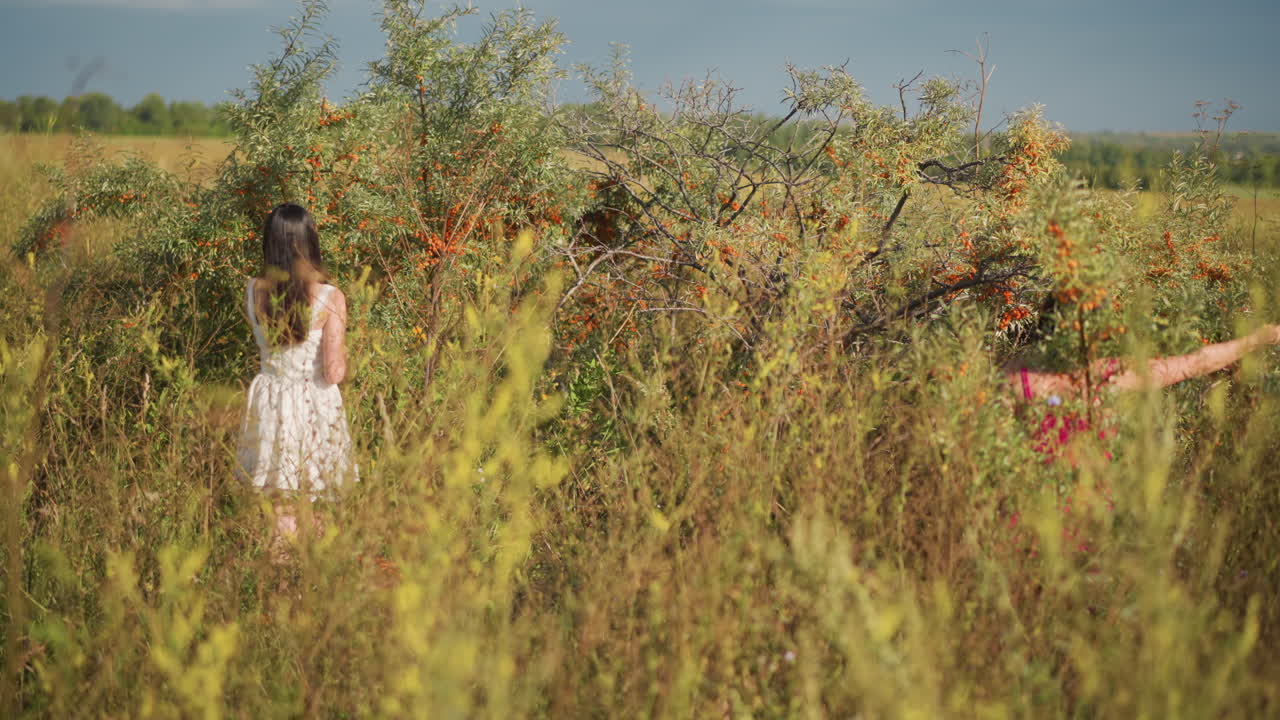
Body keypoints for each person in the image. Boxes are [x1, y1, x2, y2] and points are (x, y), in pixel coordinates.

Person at [236, 203, 356, 560]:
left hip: (270, 399)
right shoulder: (329, 296)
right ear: (310, 242)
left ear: (269, 243)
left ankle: (280, 585)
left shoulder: (252, 289)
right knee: (313, 503)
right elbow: (334, 372)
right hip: (311, 403)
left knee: (280, 504)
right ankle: (305, 585)